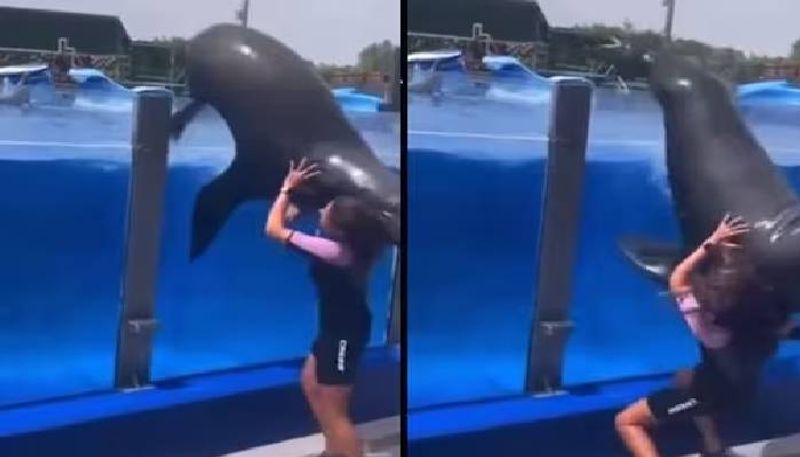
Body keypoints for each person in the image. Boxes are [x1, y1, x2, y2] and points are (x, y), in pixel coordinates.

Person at [615, 214, 794, 457]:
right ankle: (713, 444)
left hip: (713, 396)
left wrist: (711, 242)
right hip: (743, 388)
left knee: (627, 422)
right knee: (685, 377)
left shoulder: (709, 330)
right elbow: (785, 327)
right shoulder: (763, 323)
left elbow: (677, 278)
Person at [264, 158, 388, 457]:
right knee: (311, 381)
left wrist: (286, 190)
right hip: (337, 326)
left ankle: (344, 450)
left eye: (327, 211)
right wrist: (295, 211)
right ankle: (333, 451)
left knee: (336, 412)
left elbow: (272, 230)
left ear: (338, 227)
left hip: (344, 333)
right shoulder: (353, 245)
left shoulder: (333, 250)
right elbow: (297, 233)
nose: (321, 210)